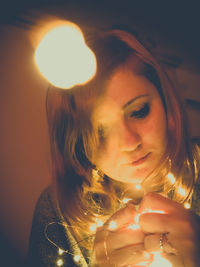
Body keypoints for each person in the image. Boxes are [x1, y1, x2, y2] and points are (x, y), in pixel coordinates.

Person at [27, 26, 200, 267]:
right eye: (99, 132)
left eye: (139, 111)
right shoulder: (56, 212)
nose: (130, 143)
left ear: (165, 99)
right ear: (77, 146)